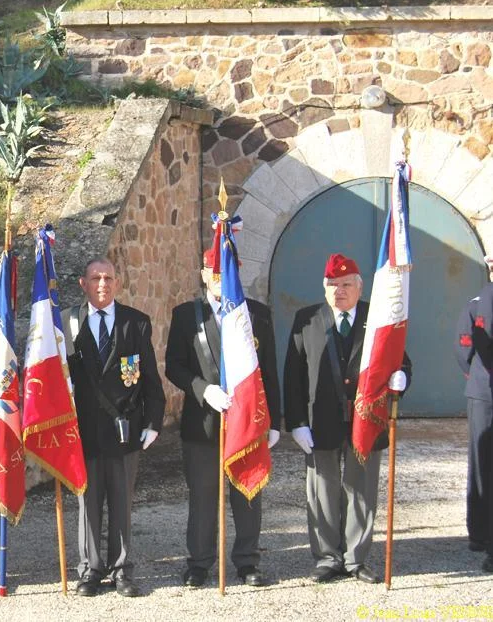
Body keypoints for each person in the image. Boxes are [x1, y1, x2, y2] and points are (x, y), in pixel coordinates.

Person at [283, 252, 410, 584]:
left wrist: (402, 378)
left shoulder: (378, 316)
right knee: (321, 490)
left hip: (365, 420)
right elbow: (293, 375)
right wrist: (296, 423)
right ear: (324, 287)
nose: (339, 291)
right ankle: (327, 557)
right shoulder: (307, 319)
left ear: (359, 287)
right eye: (332, 285)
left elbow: (399, 359)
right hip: (319, 421)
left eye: (346, 285)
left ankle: (355, 558)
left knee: (361, 489)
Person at [165, 248, 282, 589]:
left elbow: (268, 372)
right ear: (203, 274)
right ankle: (200, 563)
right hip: (203, 423)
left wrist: (275, 422)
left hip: (248, 423)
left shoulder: (256, 314)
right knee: (203, 498)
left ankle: (247, 561)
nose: (218, 277)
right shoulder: (186, 315)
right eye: (212, 271)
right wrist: (203, 390)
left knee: (248, 494)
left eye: (224, 270)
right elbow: (174, 366)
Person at [62, 258, 165, 597]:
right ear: (83, 283)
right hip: (84, 430)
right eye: (96, 278)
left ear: (117, 283)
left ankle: (121, 570)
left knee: (121, 503)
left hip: (125, 429)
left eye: (108, 278)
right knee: (88, 505)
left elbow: (149, 377)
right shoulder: (66, 322)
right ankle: (90, 570)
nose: (103, 284)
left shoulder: (136, 322)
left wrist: (153, 422)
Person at [455, 254, 493, 567]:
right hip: (484, 394)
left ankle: (482, 532)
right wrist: (478, 378)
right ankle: (480, 532)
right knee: (482, 463)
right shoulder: (478, 302)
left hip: (483, 389)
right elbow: (464, 345)